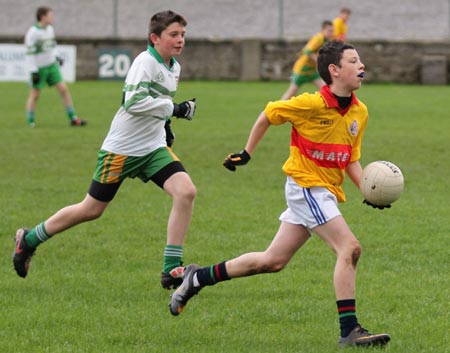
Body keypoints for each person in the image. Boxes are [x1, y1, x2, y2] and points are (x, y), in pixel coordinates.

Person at [169, 41, 391, 348]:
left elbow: (350, 159)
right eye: (354, 61)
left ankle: (197, 277)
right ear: (334, 70)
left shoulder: (359, 112)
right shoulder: (309, 104)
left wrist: (369, 189)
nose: (362, 65)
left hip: (323, 191)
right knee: (350, 249)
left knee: (272, 261)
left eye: (360, 60)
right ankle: (349, 330)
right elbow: (268, 113)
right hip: (305, 186)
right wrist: (246, 153)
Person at [14, 10, 197, 291]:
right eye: (173, 34)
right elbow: (132, 101)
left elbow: (156, 103)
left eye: (182, 34)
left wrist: (167, 124)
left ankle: (171, 269)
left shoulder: (173, 66)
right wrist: (173, 109)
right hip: (121, 150)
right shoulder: (145, 63)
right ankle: (29, 239)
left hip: (151, 147)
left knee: (186, 191)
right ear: (155, 38)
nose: (180, 40)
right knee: (91, 209)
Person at [24, 6, 86, 127]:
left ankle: (73, 118)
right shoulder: (33, 33)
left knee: (63, 89)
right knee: (35, 95)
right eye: (50, 15)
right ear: (42, 17)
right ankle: (31, 121)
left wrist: (58, 56)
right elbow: (29, 53)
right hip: (39, 68)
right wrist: (33, 71)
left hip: (51, 66)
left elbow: (52, 47)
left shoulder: (50, 29)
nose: (52, 18)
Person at [280, 20, 334, 100]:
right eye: (329, 31)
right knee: (291, 93)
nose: (331, 33)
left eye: (332, 31)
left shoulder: (326, 40)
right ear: (322, 30)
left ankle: (330, 108)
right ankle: (276, 109)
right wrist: (319, 61)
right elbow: (307, 51)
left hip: (311, 71)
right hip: (302, 69)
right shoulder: (319, 38)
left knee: (327, 89)